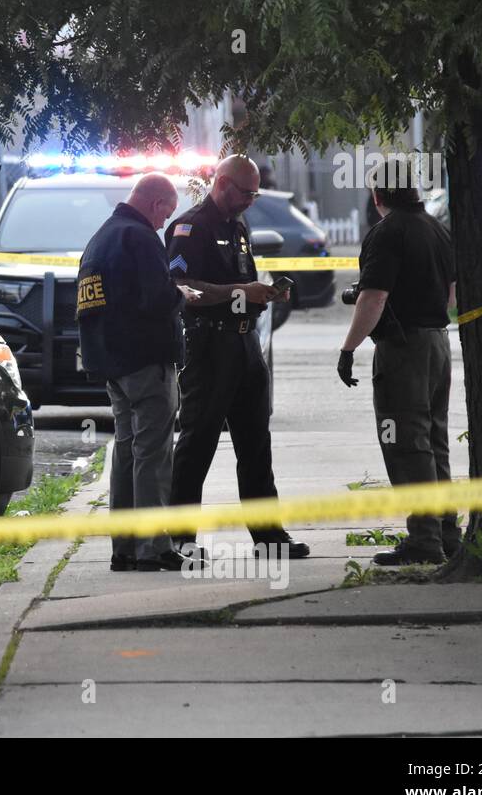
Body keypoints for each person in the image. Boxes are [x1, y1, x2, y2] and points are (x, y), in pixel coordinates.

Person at [163, 155, 310, 558]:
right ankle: (179, 539)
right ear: (223, 184)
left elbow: (241, 280)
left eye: (255, 193)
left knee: (256, 444)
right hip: (210, 347)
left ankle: (269, 538)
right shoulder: (190, 227)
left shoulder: (239, 226)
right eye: (245, 192)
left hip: (245, 345)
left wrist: (265, 292)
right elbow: (181, 286)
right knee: (198, 443)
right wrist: (240, 292)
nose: (250, 200)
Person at [77, 173, 203, 572]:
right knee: (153, 453)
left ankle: (125, 547)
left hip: (112, 364)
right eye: (166, 212)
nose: (165, 222)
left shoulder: (100, 238)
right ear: (153, 203)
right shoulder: (141, 237)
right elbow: (156, 297)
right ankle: (154, 547)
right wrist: (181, 294)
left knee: (127, 452)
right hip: (146, 362)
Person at [338, 165, 458, 565]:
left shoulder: (387, 233)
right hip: (438, 343)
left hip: (403, 348)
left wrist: (348, 348)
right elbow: (451, 295)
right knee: (434, 440)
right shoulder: (437, 229)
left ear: (377, 197)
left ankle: (424, 541)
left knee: (407, 444)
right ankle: (446, 532)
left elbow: (374, 298)